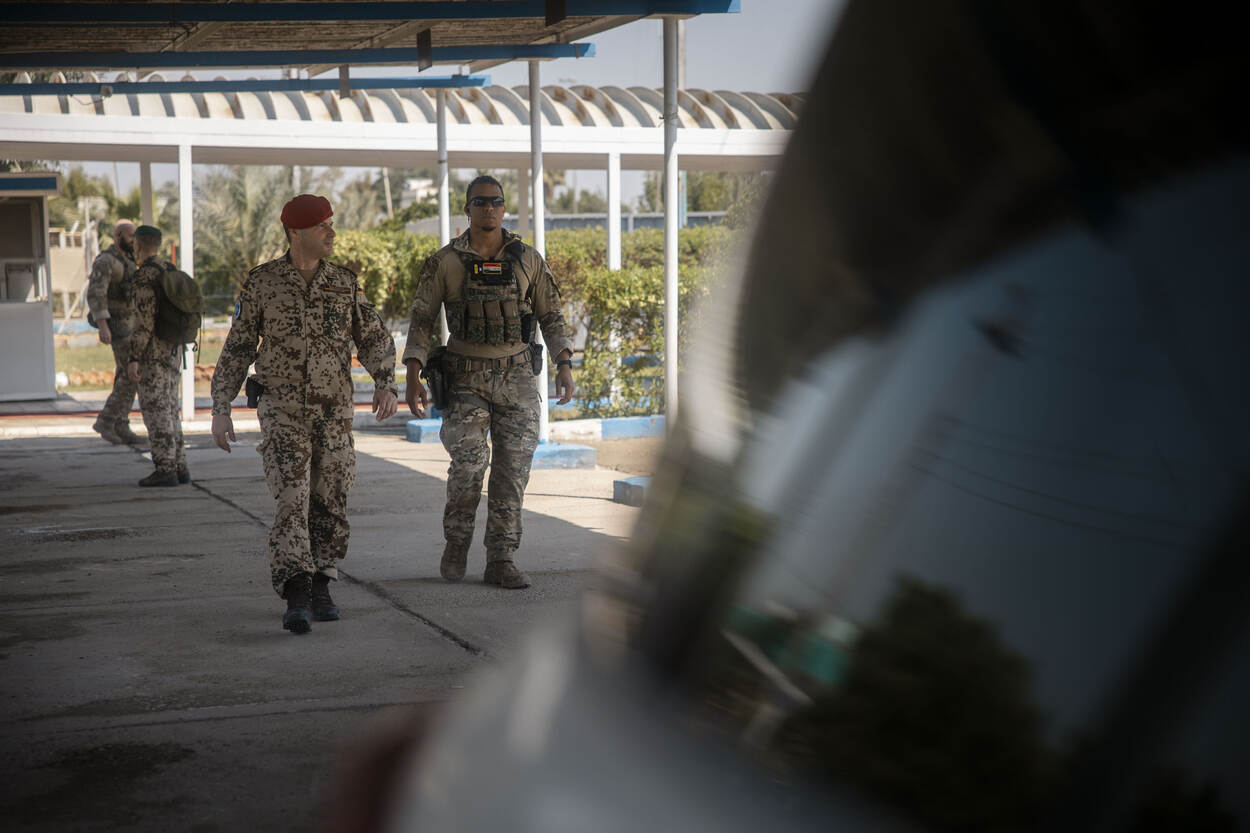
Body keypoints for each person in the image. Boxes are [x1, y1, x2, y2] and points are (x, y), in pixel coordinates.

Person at [210, 194, 398, 635]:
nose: (331, 233)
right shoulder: (263, 283)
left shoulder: (344, 282)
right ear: (296, 233)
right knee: (291, 499)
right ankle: (296, 590)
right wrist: (221, 407)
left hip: (335, 412)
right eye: (321, 227)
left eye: (331, 224)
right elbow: (238, 346)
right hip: (283, 411)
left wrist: (386, 381)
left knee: (330, 499)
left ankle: (323, 583)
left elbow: (373, 336)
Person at [404, 175, 576, 590]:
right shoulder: (445, 262)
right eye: (480, 202)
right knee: (469, 464)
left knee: (512, 471)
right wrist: (412, 374)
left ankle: (502, 558)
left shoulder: (526, 259)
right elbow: (422, 320)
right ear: (467, 208)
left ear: (504, 207)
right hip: (466, 377)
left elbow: (551, 314)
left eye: (496, 201)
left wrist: (564, 363)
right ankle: (457, 542)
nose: (489, 208)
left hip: (518, 377)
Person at [124, 225, 188, 487]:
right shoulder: (170, 270)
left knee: (155, 411)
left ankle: (165, 469)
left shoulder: (145, 277)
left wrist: (134, 357)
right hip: (173, 350)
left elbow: (144, 323)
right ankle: (180, 466)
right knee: (171, 409)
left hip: (153, 354)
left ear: (138, 245)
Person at [85, 220, 141, 445]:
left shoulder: (129, 259)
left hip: (131, 324)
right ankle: (106, 420)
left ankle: (121, 423)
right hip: (118, 326)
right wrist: (103, 326)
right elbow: (96, 294)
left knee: (126, 375)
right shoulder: (106, 261)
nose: (133, 240)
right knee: (131, 374)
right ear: (118, 236)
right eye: (130, 236)